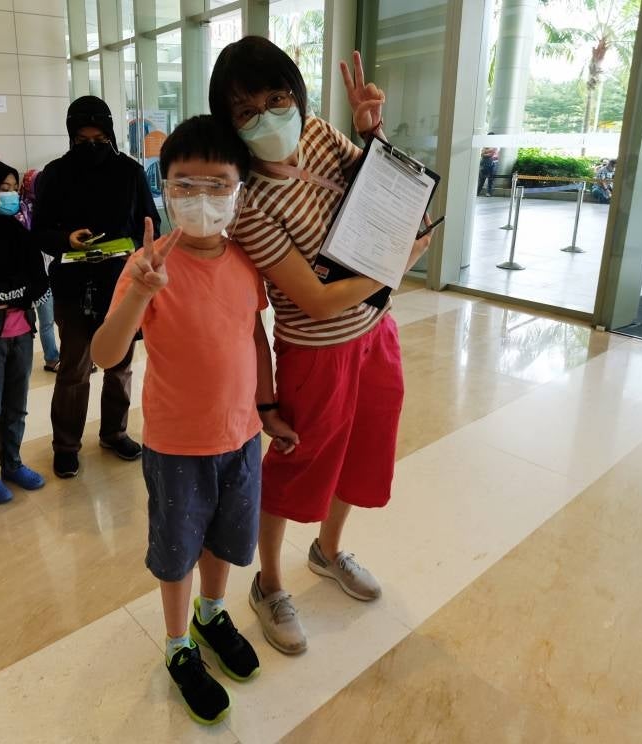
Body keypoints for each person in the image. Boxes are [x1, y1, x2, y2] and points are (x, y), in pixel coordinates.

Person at [208, 36, 432, 655]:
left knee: (362, 449)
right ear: (229, 120)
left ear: (297, 97)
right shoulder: (247, 201)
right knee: (296, 466)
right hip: (316, 351)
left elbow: (374, 193)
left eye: (277, 99)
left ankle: (328, 550)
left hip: (375, 332)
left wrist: (372, 131)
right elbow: (315, 300)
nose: (267, 117)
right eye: (246, 109)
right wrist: (396, 265)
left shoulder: (318, 135)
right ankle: (270, 583)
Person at [92, 116, 280, 725]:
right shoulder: (149, 265)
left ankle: (213, 613)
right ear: (164, 189)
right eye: (184, 186)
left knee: (225, 541)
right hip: (176, 445)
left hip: (242, 437)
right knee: (177, 552)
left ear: (240, 190)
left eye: (217, 185)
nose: (201, 200)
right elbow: (104, 355)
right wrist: (141, 293)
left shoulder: (247, 260)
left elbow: (254, 336)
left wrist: (268, 408)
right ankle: (178, 644)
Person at [33, 95, 161, 479]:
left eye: (100, 139)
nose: (92, 146)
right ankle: (66, 444)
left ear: (111, 135)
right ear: (71, 137)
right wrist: (66, 238)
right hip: (73, 284)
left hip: (120, 283)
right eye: (82, 140)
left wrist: (136, 252)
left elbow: (149, 224)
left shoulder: (129, 172)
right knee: (75, 367)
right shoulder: (54, 174)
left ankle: (114, 432)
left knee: (120, 365)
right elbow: (39, 232)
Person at [0, 159, 73, 504]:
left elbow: (39, 282)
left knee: (16, 406)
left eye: (13, 190)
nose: (9, 196)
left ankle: (13, 464)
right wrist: (17, 292)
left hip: (21, 333)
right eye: (1, 190)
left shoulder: (20, 232)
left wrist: (13, 294)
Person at [18, 168, 60, 372]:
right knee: (46, 322)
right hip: (34, 277)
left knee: (51, 320)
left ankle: (56, 357)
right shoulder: (21, 212)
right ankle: (52, 358)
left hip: (51, 271)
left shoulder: (48, 209)